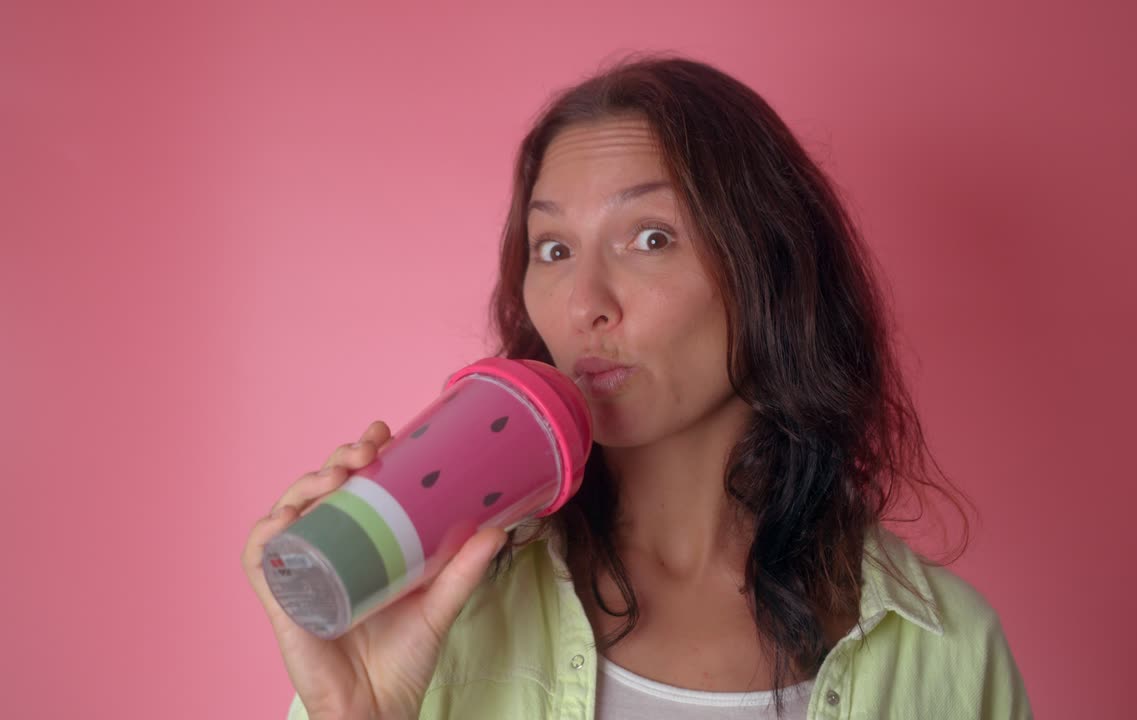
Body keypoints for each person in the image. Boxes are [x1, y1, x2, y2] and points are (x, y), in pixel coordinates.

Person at [242, 54, 1033, 720]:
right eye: (552, 248)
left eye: (650, 238)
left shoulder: (947, 654)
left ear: (773, 270)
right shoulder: (436, 611)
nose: (585, 302)